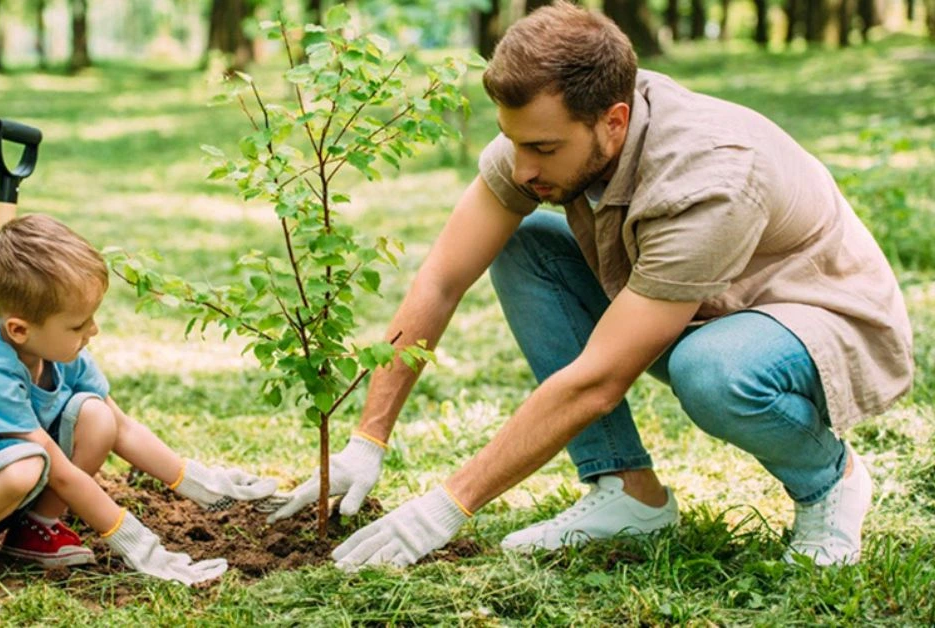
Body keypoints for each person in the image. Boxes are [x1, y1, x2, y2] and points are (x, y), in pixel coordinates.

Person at [268, 0, 913, 569]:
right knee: (524, 248)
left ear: (613, 120)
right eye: (512, 142)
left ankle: (830, 481)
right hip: (699, 302)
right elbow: (441, 278)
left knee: (710, 369)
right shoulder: (541, 137)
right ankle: (628, 495)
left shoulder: (709, 179)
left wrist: (446, 505)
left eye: (543, 150)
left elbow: (600, 380)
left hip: (815, 319)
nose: (522, 168)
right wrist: (367, 438)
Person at [0, 214, 278, 603]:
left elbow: (121, 427)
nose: (92, 331)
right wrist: (140, 545)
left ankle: (33, 531)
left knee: (96, 416)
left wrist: (197, 482)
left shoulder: (56, 350)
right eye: (79, 324)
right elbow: (60, 474)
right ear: (19, 329)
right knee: (27, 463)